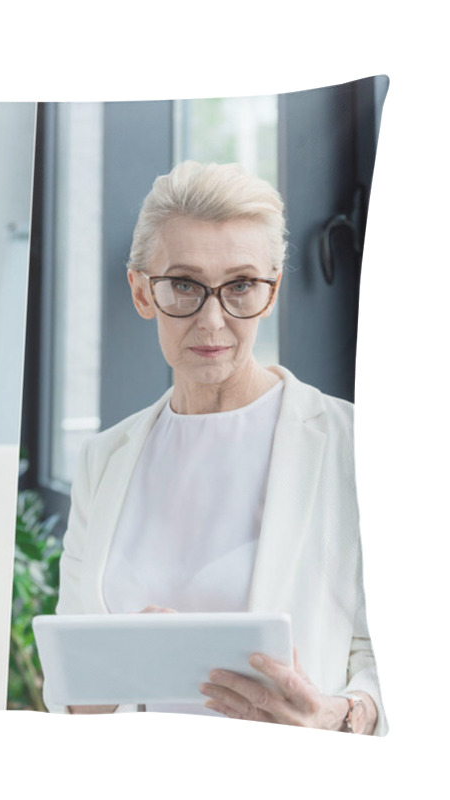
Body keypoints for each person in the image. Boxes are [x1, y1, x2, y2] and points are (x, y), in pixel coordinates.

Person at [53, 161, 386, 734]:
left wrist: (339, 717)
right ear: (141, 291)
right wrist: (116, 673)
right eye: (183, 284)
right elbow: (69, 690)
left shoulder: (356, 447)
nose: (213, 321)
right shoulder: (104, 460)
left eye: (240, 286)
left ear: (272, 290)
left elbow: (414, 658)